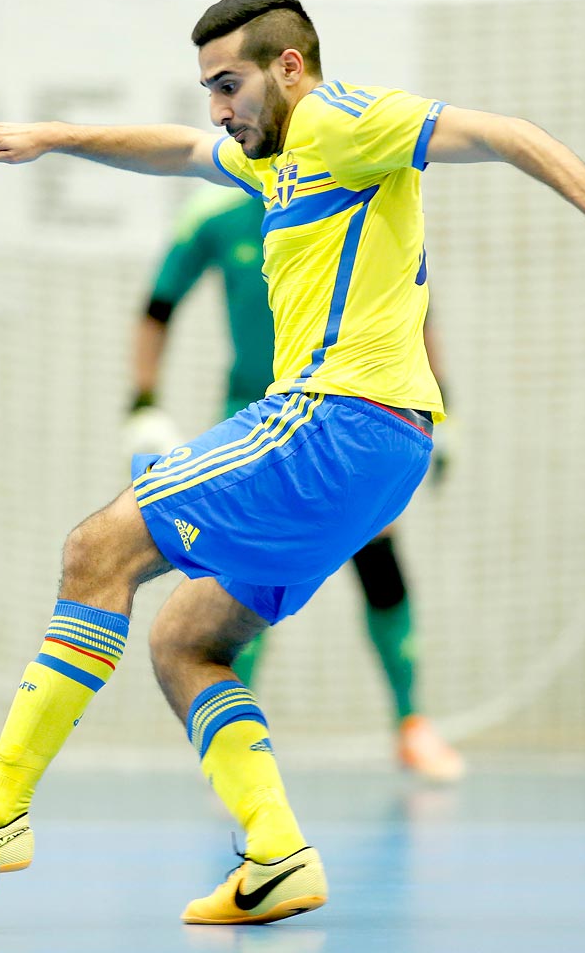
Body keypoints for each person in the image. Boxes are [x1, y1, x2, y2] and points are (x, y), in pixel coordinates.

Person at [0, 0, 585, 925]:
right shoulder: (276, 160)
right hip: (375, 446)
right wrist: (47, 135)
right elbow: (172, 149)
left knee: (96, 550)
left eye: (229, 83)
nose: (217, 108)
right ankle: (277, 856)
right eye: (207, 87)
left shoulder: (340, 119)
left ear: (288, 68)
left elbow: (497, 131)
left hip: (333, 420)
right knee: (184, 641)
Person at [125, 182, 465, 782]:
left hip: (347, 414)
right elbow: (158, 305)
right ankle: (232, 742)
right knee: (241, 574)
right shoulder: (217, 216)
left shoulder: (350, 199)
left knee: (378, 555)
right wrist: (143, 401)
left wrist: (445, 406)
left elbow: (416, 308)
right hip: (253, 414)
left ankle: (413, 723)